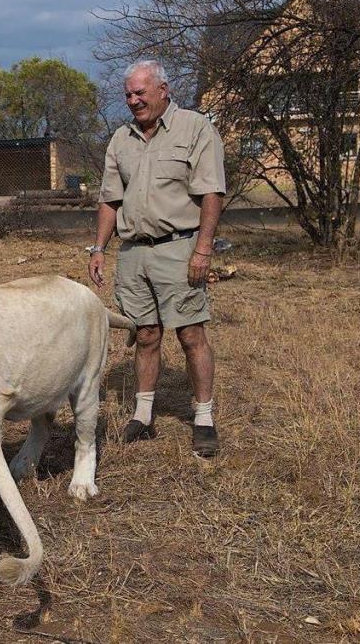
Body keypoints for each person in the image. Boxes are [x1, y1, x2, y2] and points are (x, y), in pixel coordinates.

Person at [88, 59, 225, 457]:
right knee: (144, 335)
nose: (133, 100)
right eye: (128, 94)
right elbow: (110, 199)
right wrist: (99, 248)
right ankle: (143, 416)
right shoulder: (121, 139)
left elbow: (212, 193)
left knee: (191, 334)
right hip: (134, 253)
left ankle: (203, 418)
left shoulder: (196, 129)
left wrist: (203, 248)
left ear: (163, 90)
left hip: (179, 248)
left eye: (140, 93)